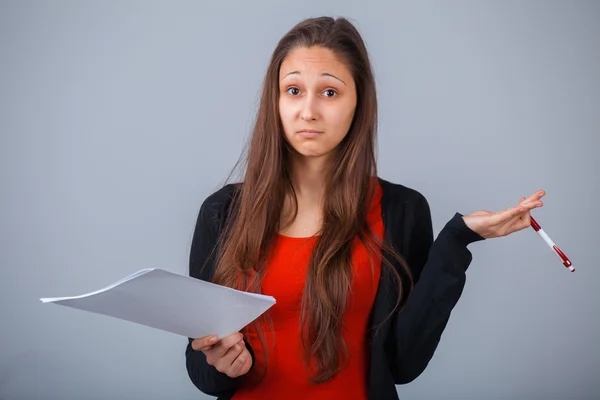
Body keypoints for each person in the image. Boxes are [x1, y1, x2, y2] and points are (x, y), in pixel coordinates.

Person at [184, 16, 544, 400]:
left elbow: (404, 363)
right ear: (274, 101)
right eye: (292, 90)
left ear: (359, 102)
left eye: (329, 93)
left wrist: (457, 240)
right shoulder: (221, 213)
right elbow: (200, 369)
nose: (308, 111)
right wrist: (220, 364)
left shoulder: (401, 210)